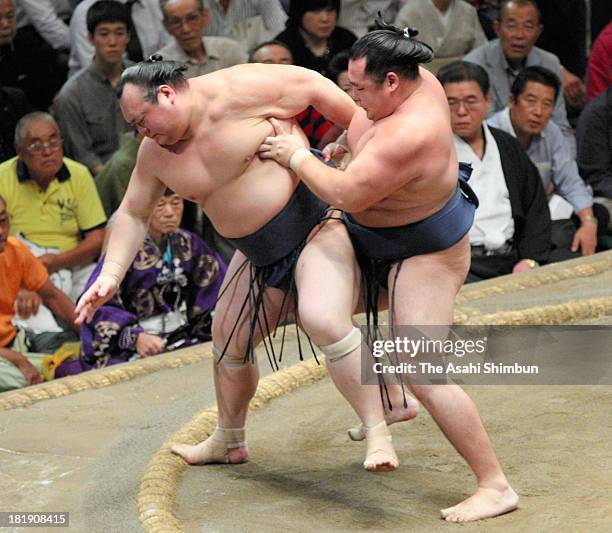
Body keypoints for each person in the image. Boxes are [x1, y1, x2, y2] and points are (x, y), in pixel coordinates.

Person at [75, 58, 407, 472]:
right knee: (228, 340)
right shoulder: (154, 152)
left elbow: (313, 84)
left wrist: (356, 137)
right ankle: (229, 439)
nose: (143, 133)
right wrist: (110, 275)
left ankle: (379, 431)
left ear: (166, 94)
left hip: (314, 225)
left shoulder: (239, 90)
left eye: (143, 120)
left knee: (322, 318)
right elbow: (133, 213)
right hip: (255, 252)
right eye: (135, 127)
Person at [259, 20, 518, 522]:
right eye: (349, 85)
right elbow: (362, 127)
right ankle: (388, 399)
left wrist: (296, 155)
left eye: (359, 88)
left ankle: (495, 484)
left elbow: (345, 192)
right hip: (377, 236)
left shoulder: (412, 131)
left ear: (393, 82)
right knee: (319, 309)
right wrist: (342, 139)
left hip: (426, 251)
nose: (351, 96)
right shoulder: (411, 76)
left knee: (422, 368)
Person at [63, 190, 226, 374]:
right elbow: (98, 307)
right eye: (160, 205)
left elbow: (219, 289)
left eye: (175, 203)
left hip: (183, 337)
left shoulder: (190, 243)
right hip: (134, 346)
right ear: (145, 208)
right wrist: (135, 337)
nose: (169, 212)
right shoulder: (124, 250)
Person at [438, 60, 551, 280]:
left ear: (487, 101)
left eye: (471, 101)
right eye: (451, 102)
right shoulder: (429, 151)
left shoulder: (507, 145)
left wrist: (529, 259)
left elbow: (535, 205)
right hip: (457, 266)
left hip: (511, 258)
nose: (462, 111)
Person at [487, 66, 608, 257]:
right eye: (531, 101)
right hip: (502, 221)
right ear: (512, 101)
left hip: (541, 216)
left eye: (547, 104)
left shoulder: (551, 132)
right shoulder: (491, 134)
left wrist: (588, 221)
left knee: (597, 215)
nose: (538, 112)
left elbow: (570, 181)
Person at [464, 0, 574, 141]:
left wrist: (567, 161)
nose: (519, 35)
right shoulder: (474, 65)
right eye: (511, 25)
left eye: (528, 27)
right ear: (497, 28)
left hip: (540, 148)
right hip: (495, 149)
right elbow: (482, 127)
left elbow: (561, 126)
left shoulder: (549, 63)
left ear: (538, 31)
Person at [0, 194, 78, 392]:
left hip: (13, 340)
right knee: (23, 381)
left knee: (77, 357)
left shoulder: (15, 249)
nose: (1, 231)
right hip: (9, 357)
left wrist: (92, 335)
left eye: (2, 221)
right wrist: (18, 361)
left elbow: (53, 297)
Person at [55, 1, 134, 176]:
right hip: (100, 182)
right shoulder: (72, 93)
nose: (112, 42)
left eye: (119, 33)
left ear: (128, 36)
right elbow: (83, 156)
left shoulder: (143, 80)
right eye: (104, 34)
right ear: (91, 38)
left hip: (146, 173)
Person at [156, 0, 246, 79]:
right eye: (176, 22)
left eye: (192, 18)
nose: (186, 29)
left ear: (205, 17)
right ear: (166, 26)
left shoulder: (230, 50)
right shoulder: (160, 66)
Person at [275, 0, 357, 77]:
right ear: (299, 13)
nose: (325, 19)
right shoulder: (282, 46)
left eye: (330, 10)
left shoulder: (346, 40)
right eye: (316, 11)